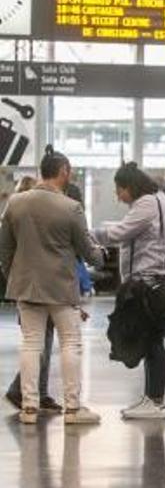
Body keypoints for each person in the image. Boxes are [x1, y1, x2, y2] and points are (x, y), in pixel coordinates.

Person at [0, 148, 105, 425]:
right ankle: (72, 409)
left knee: (31, 343)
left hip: (25, 285)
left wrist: (15, 275)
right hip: (60, 286)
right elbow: (88, 252)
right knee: (71, 342)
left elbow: (5, 250)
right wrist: (101, 254)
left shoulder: (15, 203)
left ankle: (29, 408)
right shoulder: (71, 207)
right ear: (64, 172)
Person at [93, 163, 165, 420]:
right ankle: (151, 399)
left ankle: (155, 401)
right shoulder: (159, 201)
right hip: (161, 282)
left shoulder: (147, 204)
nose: (118, 195)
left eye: (119, 189)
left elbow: (120, 233)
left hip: (154, 284)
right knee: (150, 339)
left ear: (130, 187)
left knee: (153, 340)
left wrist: (85, 235)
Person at [4, 175, 63, 414]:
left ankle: (40, 391)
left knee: (43, 343)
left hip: (32, 287)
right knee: (38, 344)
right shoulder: (24, 223)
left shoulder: (16, 217)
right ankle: (21, 390)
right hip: (35, 289)